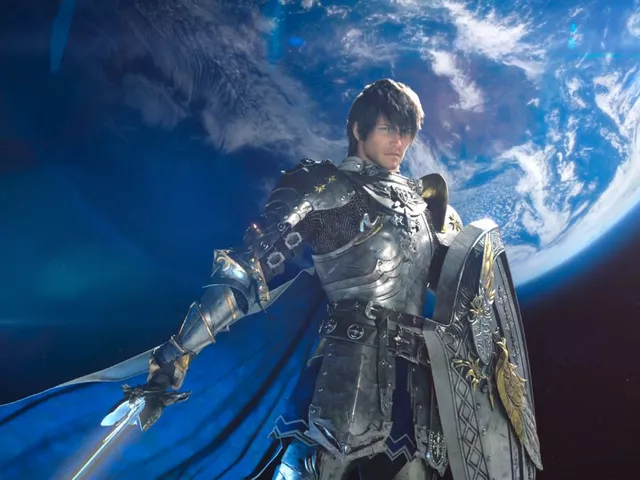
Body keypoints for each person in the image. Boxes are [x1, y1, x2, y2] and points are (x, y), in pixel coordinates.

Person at [122, 79, 542, 479]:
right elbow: (250, 266)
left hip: (414, 391)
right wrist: (178, 351)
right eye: (388, 129)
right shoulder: (328, 186)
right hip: (343, 375)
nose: (399, 142)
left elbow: (459, 292)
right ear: (358, 129)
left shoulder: (424, 206)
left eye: (407, 132)